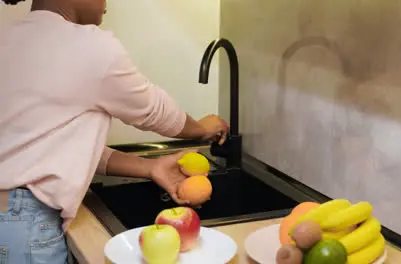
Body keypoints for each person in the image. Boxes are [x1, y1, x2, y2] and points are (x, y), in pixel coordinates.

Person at [0, 0, 230, 263]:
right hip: (24, 225)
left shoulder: (8, 38)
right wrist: (201, 129)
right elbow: (153, 111)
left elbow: (54, 150)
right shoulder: (88, 46)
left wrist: (150, 167)